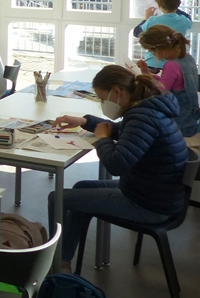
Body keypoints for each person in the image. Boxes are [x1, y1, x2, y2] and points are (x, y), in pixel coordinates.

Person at [48, 65, 188, 271]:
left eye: (102, 98)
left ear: (117, 91)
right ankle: (63, 260)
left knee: (57, 198)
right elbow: (121, 130)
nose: (103, 104)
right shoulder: (149, 109)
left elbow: (116, 164)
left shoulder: (143, 117)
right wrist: (85, 121)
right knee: (80, 188)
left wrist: (102, 139)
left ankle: (55, 261)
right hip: (156, 194)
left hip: (149, 205)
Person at [138, 25, 199, 137]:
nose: (153, 55)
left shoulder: (171, 65)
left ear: (160, 49)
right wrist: (147, 73)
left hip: (180, 122)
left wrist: (145, 78)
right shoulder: (188, 58)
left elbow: (161, 90)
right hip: (191, 118)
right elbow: (167, 83)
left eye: (152, 52)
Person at [132, 0, 193, 70]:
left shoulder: (152, 20)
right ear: (179, 3)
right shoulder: (184, 21)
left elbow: (137, 32)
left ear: (159, 4)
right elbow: (188, 17)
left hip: (153, 62)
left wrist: (146, 18)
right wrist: (175, 6)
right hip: (176, 63)